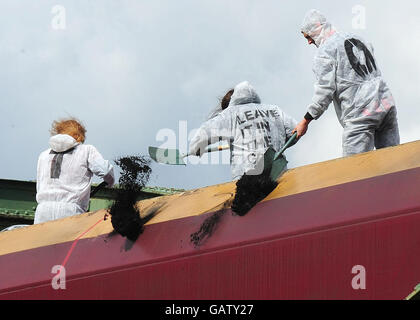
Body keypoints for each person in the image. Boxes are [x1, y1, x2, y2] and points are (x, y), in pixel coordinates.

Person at [293, 9, 400, 156]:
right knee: (394, 164)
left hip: (361, 112)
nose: (310, 41)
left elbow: (324, 93)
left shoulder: (325, 52)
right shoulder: (358, 38)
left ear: (317, 28)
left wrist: (305, 121)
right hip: (385, 103)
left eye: (308, 36)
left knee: (354, 172)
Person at [189, 81, 297, 180]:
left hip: (246, 177)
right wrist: (277, 141)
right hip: (278, 175)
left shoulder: (230, 114)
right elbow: (295, 131)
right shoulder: (274, 109)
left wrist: (196, 148)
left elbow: (204, 133)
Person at [34, 118, 115, 224]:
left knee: (43, 241)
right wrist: (110, 181)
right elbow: (105, 171)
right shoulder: (86, 150)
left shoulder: (43, 155)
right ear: (78, 136)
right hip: (71, 211)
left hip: (42, 211)